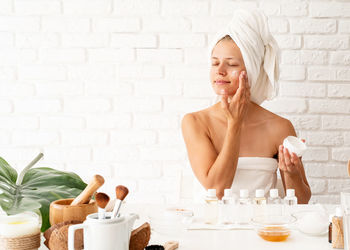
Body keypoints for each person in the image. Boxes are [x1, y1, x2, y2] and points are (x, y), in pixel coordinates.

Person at [181, 9, 311, 203]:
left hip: (263, 229)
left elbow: (301, 201)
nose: (220, 71)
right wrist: (235, 124)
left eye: (231, 64)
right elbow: (217, 191)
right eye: (215, 63)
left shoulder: (280, 127)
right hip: (209, 229)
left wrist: (291, 173)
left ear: (251, 70)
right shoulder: (195, 122)